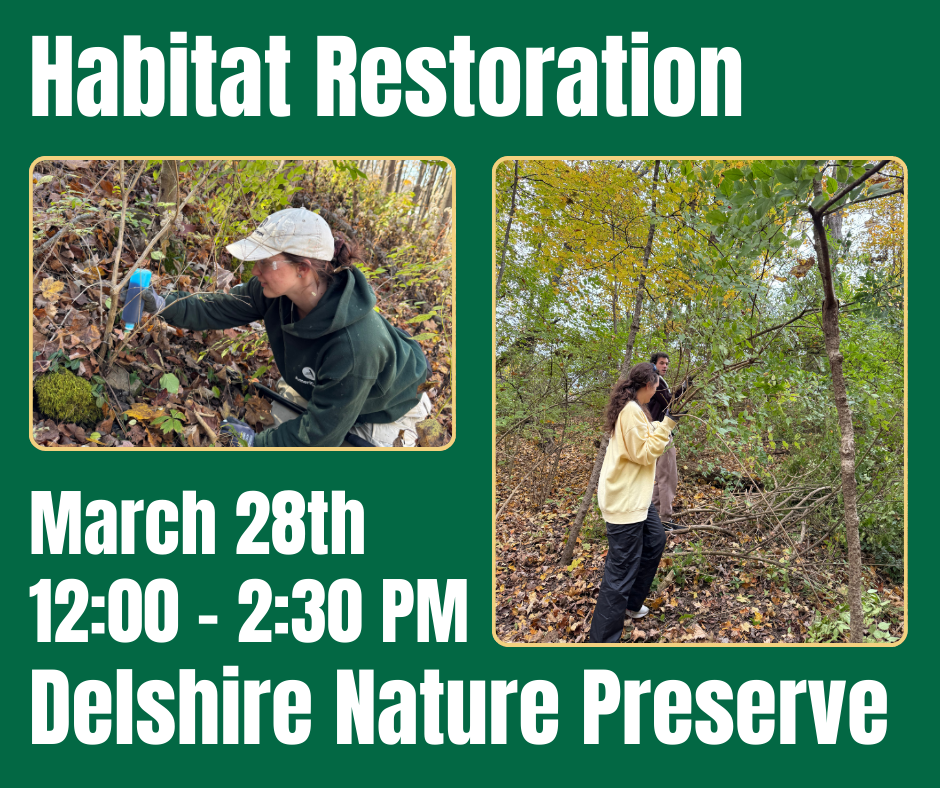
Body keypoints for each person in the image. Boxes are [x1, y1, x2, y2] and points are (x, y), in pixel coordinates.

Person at [128, 207, 432, 447]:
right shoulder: (274, 292)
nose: (255, 271)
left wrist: (253, 444)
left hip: (389, 410)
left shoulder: (354, 345)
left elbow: (320, 436)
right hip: (333, 392)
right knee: (281, 428)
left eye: (264, 262)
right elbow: (218, 307)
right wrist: (161, 302)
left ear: (303, 269)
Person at [589, 362, 680, 644]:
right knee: (619, 572)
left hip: (637, 501)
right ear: (645, 386)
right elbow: (643, 452)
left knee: (655, 541)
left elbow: (643, 432)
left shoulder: (634, 409)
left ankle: (631, 602)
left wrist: (659, 424)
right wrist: (667, 425)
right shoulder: (630, 411)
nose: (655, 393)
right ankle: (602, 640)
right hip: (624, 503)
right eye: (655, 387)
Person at [647, 351, 691, 525]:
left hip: (656, 432)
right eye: (661, 363)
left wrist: (684, 387)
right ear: (654, 364)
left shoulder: (655, 382)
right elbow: (669, 402)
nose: (665, 366)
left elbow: (669, 400)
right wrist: (684, 388)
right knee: (668, 478)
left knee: (659, 478)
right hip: (660, 434)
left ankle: (657, 516)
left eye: (667, 363)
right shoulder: (654, 381)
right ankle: (665, 520)